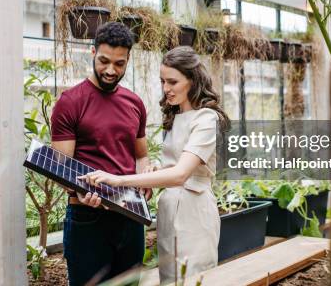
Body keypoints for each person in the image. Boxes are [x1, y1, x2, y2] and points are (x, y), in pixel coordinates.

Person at [79, 46, 229, 284]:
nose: (166, 89)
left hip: (194, 211)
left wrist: (119, 179)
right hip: (169, 208)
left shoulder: (207, 119)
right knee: (170, 279)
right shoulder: (175, 115)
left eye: (173, 82)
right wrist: (156, 168)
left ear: (192, 80)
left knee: (195, 279)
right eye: (162, 81)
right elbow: (175, 162)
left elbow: (180, 174)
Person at [50, 21, 151, 286]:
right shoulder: (70, 102)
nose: (110, 70)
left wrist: (145, 179)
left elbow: (141, 156)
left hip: (130, 217)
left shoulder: (134, 103)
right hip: (87, 218)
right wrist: (79, 192)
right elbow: (61, 167)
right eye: (104, 60)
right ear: (92, 53)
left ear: (128, 59)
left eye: (119, 64)